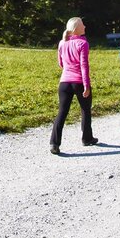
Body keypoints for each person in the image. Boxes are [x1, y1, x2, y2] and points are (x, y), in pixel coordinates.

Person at [50, 17, 97, 155]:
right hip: (79, 82)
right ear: (77, 28)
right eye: (82, 25)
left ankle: (54, 143)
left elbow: (61, 63)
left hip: (64, 82)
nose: (85, 26)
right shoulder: (83, 43)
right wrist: (86, 85)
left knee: (62, 112)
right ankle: (87, 138)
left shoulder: (62, 43)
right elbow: (84, 66)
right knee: (85, 110)